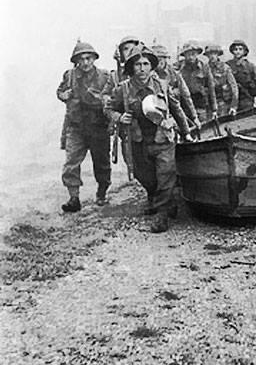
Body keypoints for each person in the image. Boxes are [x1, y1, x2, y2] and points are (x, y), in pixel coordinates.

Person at [105, 45, 193, 232]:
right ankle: (160, 198)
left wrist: (186, 132)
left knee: (166, 174)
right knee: (144, 176)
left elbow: (176, 108)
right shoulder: (123, 89)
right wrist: (119, 117)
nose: (142, 68)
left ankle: (162, 215)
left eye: (146, 64)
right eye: (138, 64)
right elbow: (108, 108)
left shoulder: (161, 84)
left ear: (151, 66)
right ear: (131, 67)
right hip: (138, 141)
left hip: (163, 138)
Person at [57, 41, 113, 212]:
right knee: (71, 163)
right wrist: (63, 95)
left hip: (98, 126)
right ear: (76, 61)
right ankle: (74, 198)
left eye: (89, 58)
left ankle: (102, 190)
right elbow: (60, 91)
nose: (86, 62)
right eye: (81, 59)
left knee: (101, 162)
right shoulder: (69, 76)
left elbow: (115, 97)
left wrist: (106, 102)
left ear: (94, 59)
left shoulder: (105, 76)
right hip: (76, 126)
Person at [152, 43, 201, 129]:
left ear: (166, 59)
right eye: (157, 59)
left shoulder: (174, 73)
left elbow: (186, 96)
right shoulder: (149, 75)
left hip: (175, 113)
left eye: (162, 58)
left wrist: (194, 117)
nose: (160, 62)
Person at [178, 42, 217, 122]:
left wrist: (214, 109)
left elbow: (211, 88)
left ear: (197, 54)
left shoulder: (204, 67)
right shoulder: (179, 68)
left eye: (193, 54)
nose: (191, 57)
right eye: (188, 55)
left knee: (202, 127)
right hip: (185, 105)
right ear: (184, 55)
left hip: (200, 103)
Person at [226, 39, 256, 111]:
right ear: (232, 51)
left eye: (240, 49)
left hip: (247, 98)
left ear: (244, 51)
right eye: (235, 49)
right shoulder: (228, 65)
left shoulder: (250, 66)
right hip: (231, 99)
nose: (238, 51)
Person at [204, 44, 238, 116]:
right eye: (210, 54)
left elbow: (234, 87)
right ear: (207, 56)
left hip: (223, 102)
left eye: (214, 53)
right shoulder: (205, 69)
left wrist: (233, 106)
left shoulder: (225, 68)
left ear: (218, 55)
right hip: (209, 104)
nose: (212, 56)